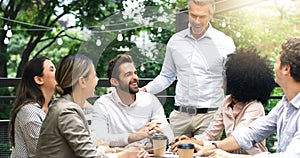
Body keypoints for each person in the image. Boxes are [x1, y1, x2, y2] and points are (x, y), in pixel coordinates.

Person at [140, 0, 236, 137]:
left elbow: (233, 78)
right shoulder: (175, 41)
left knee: (204, 155)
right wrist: (145, 90)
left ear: (211, 14)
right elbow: (167, 75)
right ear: (188, 13)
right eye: (193, 15)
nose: (197, 21)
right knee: (172, 153)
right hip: (180, 116)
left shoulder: (225, 43)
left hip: (210, 116)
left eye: (202, 17)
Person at [196, 38, 300, 158]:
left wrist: (229, 156)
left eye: (276, 62)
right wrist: (211, 147)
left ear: (286, 69)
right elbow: (251, 133)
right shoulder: (284, 104)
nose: (273, 67)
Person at [36, 54, 148, 158]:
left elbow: (89, 147)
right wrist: (124, 155)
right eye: (94, 76)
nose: (97, 80)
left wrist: (119, 151)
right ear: (82, 82)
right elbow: (90, 156)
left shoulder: (66, 106)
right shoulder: (67, 111)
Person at [171, 49, 275, 155]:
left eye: (226, 75)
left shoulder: (255, 107)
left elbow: (238, 140)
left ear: (237, 81)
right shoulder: (227, 102)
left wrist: (200, 144)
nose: (223, 77)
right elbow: (211, 133)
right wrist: (192, 140)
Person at [92, 54, 174, 148]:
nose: (135, 77)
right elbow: (98, 139)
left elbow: (169, 136)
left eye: (135, 73)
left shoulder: (150, 100)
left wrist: (159, 133)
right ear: (115, 81)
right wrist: (133, 137)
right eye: (128, 74)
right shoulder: (103, 104)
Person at [8, 57, 56, 158]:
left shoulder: (54, 107)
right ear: (38, 79)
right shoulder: (29, 112)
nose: (58, 73)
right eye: (52, 69)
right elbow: (45, 153)